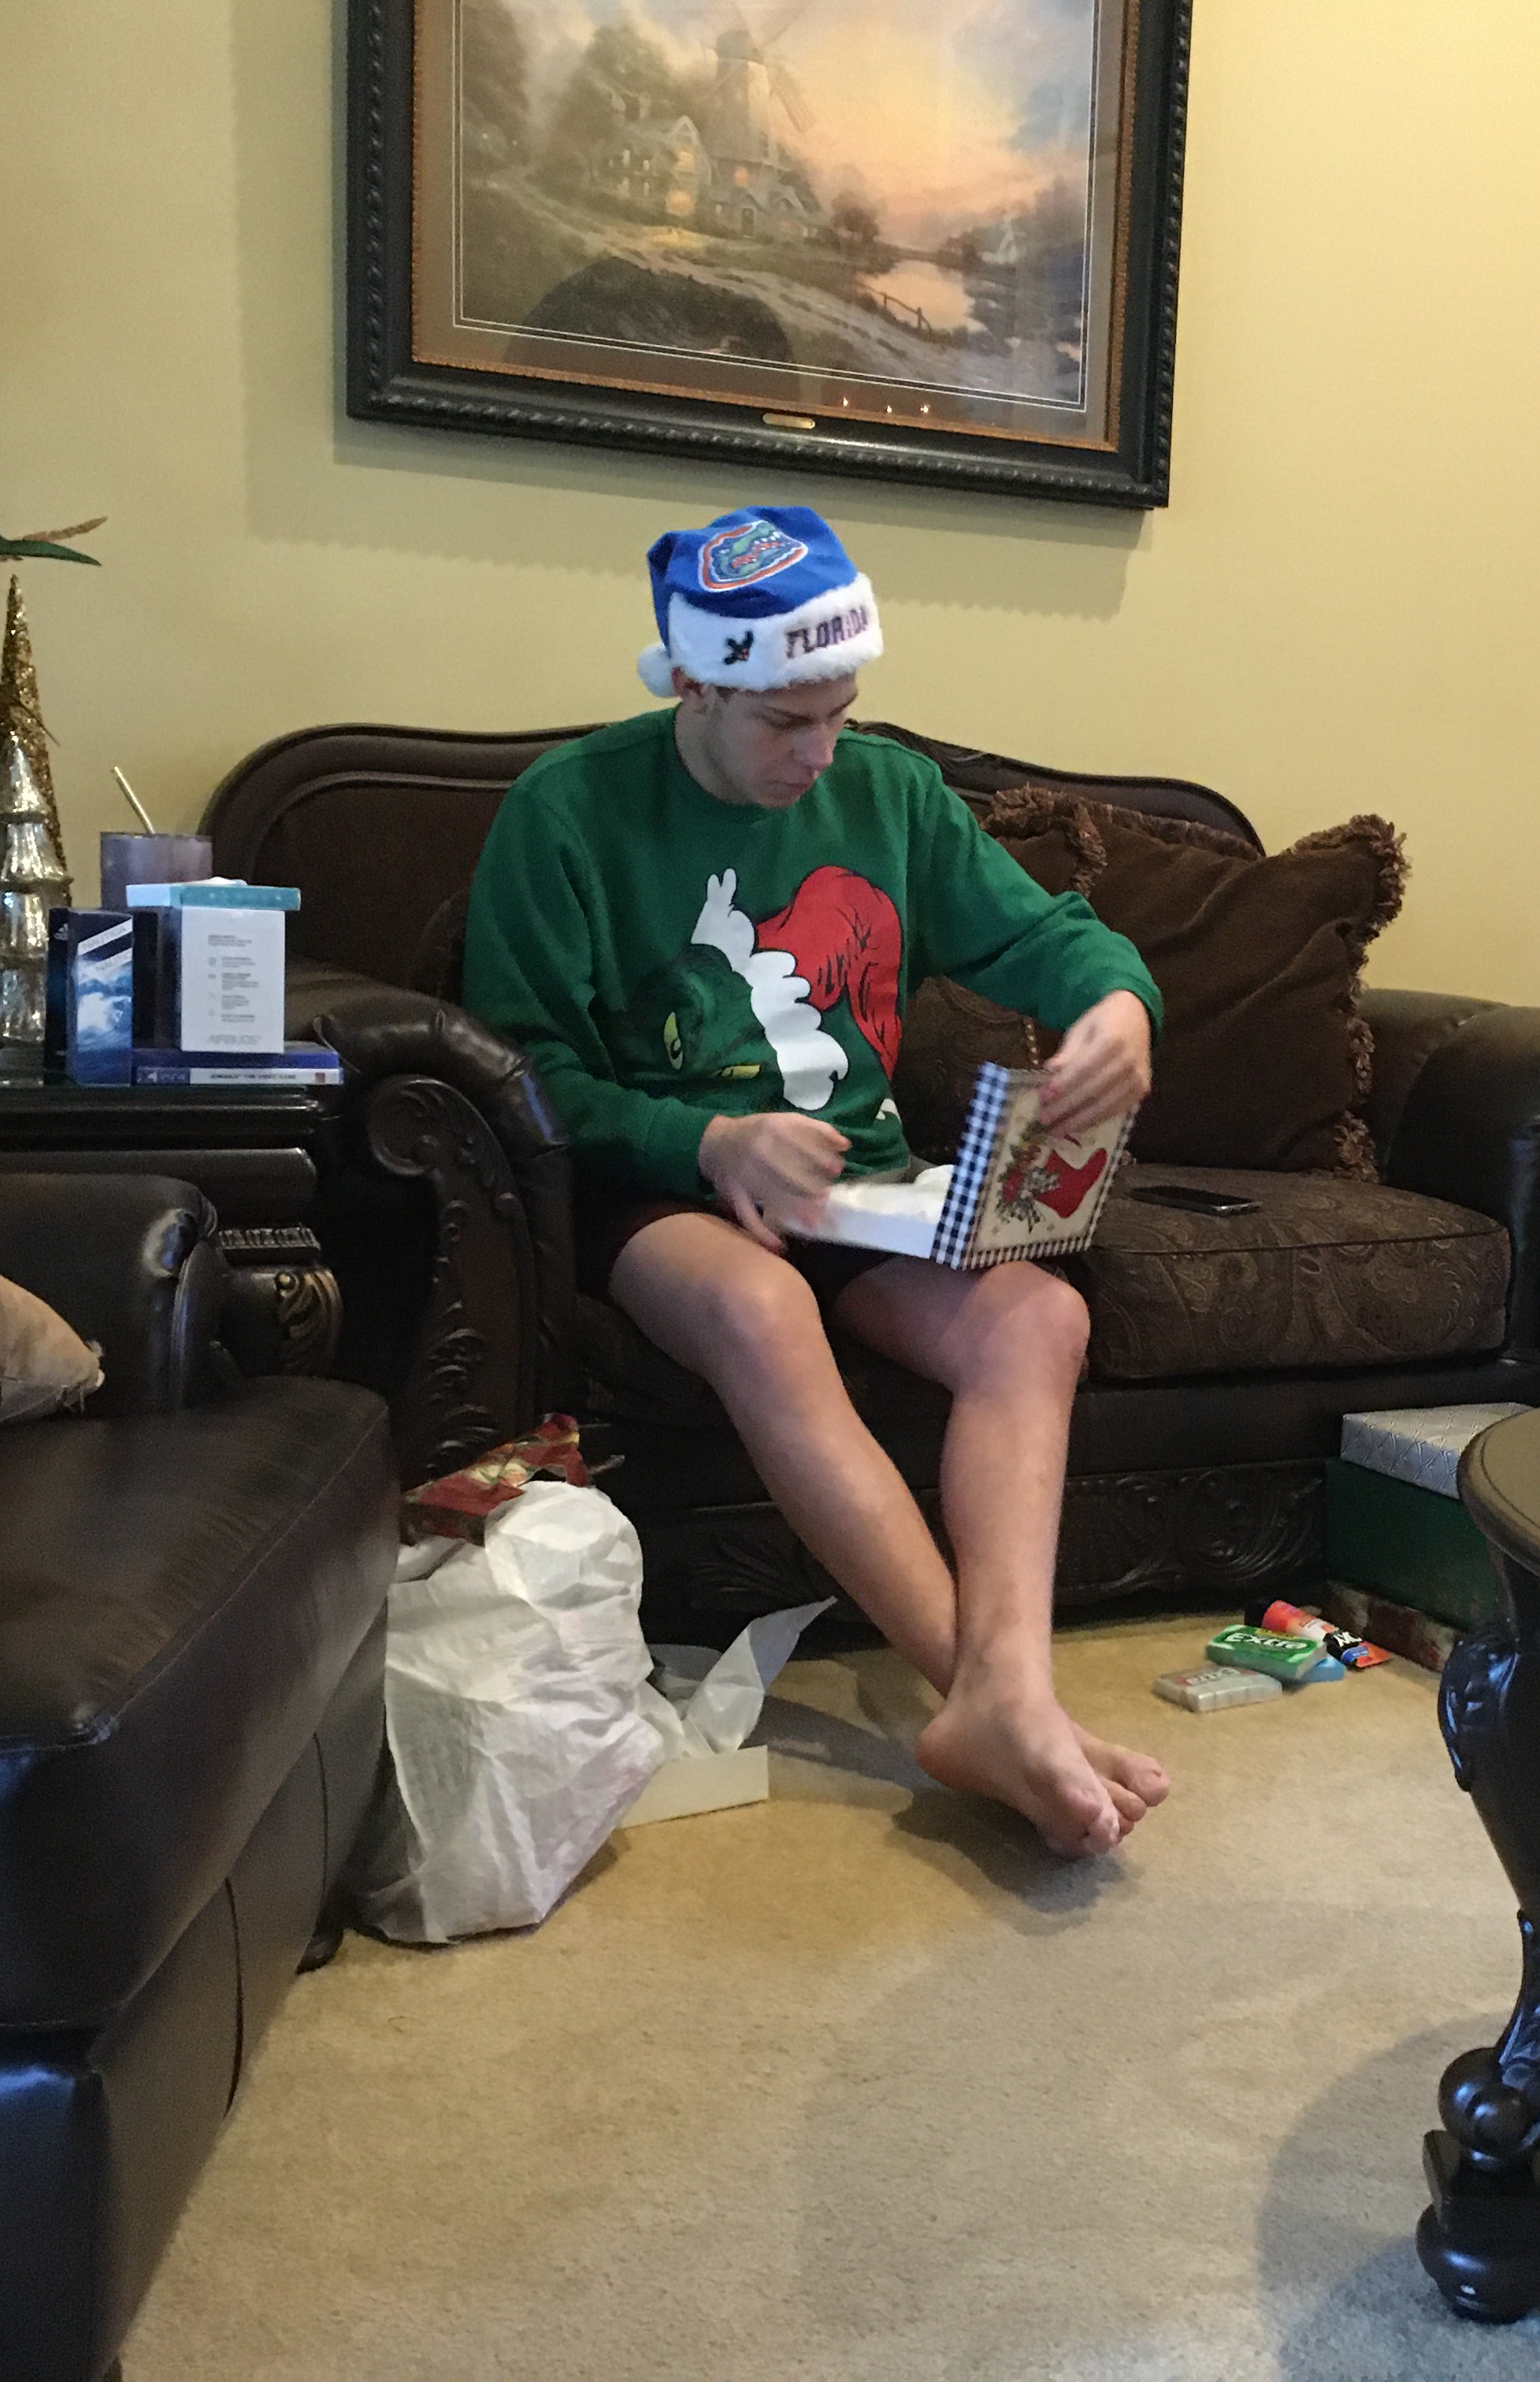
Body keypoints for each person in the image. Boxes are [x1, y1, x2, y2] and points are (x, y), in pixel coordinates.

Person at [461, 505, 1170, 1860]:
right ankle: (995, 1701)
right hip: (663, 1188)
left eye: (840, 714)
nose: (820, 751)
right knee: (761, 1308)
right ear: (692, 683)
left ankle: (1005, 1697)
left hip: (861, 1182)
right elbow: (523, 1072)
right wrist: (706, 1143)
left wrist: (1118, 1006)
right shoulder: (565, 810)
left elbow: (1050, 936)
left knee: (1042, 1318)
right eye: (786, 722)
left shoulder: (891, 793)